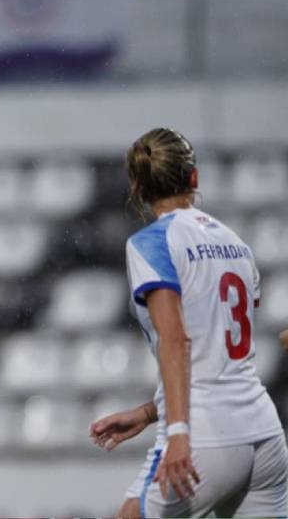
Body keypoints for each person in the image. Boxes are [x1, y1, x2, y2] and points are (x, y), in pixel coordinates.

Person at [90, 128, 288, 518]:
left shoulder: (150, 243)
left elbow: (176, 339)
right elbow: (222, 354)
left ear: (138, 188)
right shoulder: (237, 245)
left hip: (205, 436)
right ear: (194, 178)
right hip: (264, 436)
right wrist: (151, 412)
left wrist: (177, 432)